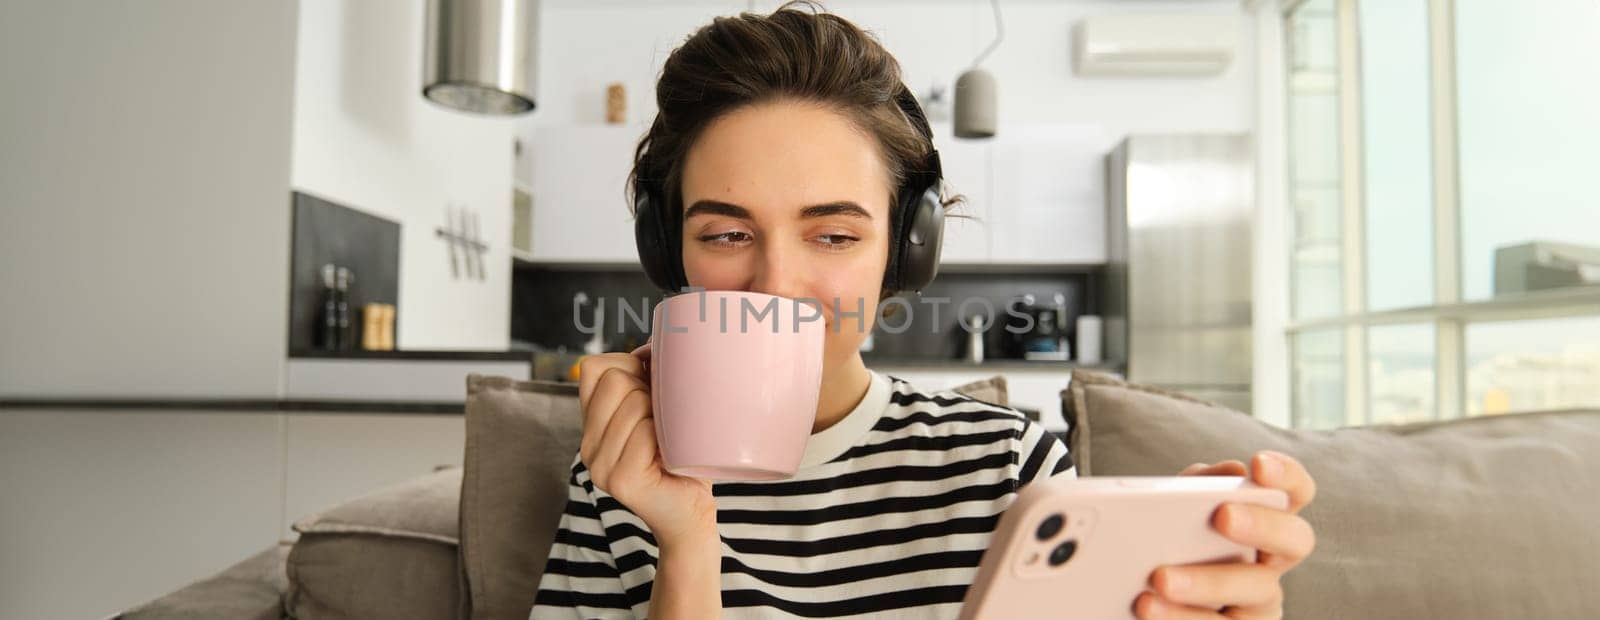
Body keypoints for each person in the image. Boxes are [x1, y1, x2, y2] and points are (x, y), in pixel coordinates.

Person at [533, 3, 1317, 618]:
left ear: (906, 250)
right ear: (669, 252)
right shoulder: (617, 477)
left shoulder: (1009, 469)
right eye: (728, 232)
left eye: (834, 233)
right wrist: (686, 543)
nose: (775, 283)